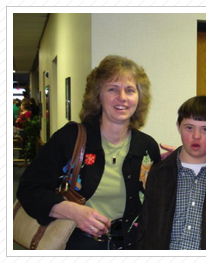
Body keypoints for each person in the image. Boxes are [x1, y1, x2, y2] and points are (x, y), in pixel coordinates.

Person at [16, 55, 161, 250]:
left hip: (130, 245)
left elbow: (155, 203)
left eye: (130, 90)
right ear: (98, 95)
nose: (122, 98)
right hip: (76, 243)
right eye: (112, 89)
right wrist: (72, 211)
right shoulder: (70, 138)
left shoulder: (147, 148)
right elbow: (28, 189)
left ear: (139, 97)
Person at [138, 95, 206, 250]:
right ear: (178, 126)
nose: (196, 136)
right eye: (189, 127)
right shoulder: (159, 173)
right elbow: (145, 227)